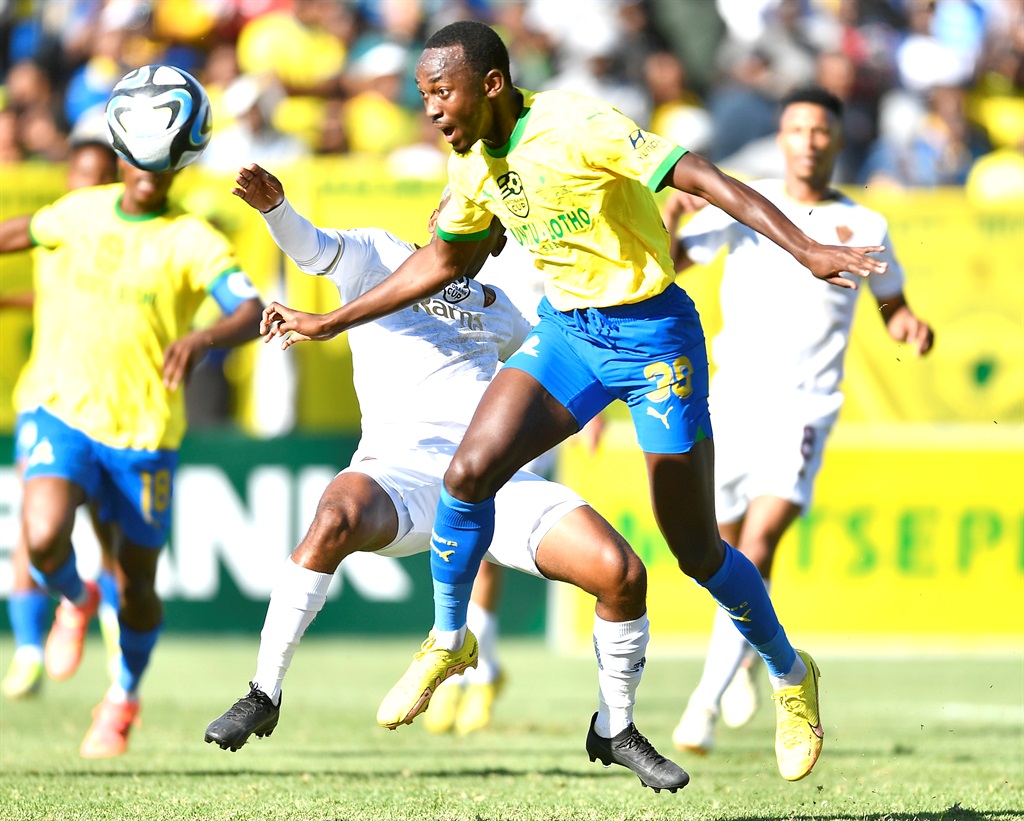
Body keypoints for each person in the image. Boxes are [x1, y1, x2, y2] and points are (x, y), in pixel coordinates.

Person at [259, 20, 891, 782]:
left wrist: (808, 247)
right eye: (423, 93)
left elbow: (703, 176)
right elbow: (445, 258)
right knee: (469, 471)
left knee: (694, 548)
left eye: (442, 91)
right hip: (569, 334)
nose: (430, 107)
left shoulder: (575, 123)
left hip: (655, 336)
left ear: (491, 84)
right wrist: (329, 319)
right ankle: (452, 638)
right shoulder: (469, 161)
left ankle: (791, 673)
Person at [204, 164, 689, 794]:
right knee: (335, 514)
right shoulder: (379, 255)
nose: (453, 216)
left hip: (491, 479)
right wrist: (276, 210)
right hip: (399, 471)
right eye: (448, 206)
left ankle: (615, 728)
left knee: (622, 573)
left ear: (495, 242)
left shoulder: (501, 309)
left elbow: (565, 356)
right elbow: (312, 247)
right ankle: (263, 692)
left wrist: (600, 405)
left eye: (477, 217)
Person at [664, 86, 934, 755]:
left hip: (807, 403)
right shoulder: (749, 202)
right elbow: (674, 263)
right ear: (781, 137)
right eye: (797, 129)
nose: (809, 141)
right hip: (731, 398)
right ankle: (747, 656)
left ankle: (700, 703)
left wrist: (910, 324)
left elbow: (892, 303)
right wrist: (671, 214)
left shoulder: (868, 223)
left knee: (759, 545)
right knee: (719, 556)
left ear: (838, 141)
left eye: (821, 131)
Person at [0, 156, 265, 757]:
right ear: (122, 158)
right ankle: (76, 596)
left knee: (138, 584)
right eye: (142, 157)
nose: (152, 170)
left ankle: (122, 697)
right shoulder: (79, 212)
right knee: (40, 537)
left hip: (143, 432)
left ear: (180, 164)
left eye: (166, 160)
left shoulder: (191, 238)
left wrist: (204, 337)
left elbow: (248, 309)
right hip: (60, 409)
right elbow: (16, 233)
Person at [2, 135, 123, 700]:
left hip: (117, 406)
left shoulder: (129, 240)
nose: (91, 185)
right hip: (45, 396)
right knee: (36, 524)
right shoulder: (58, 232)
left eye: (102, 175)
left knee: (114, 537)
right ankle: (27, 651)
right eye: (82, 174)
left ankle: (123, 679)